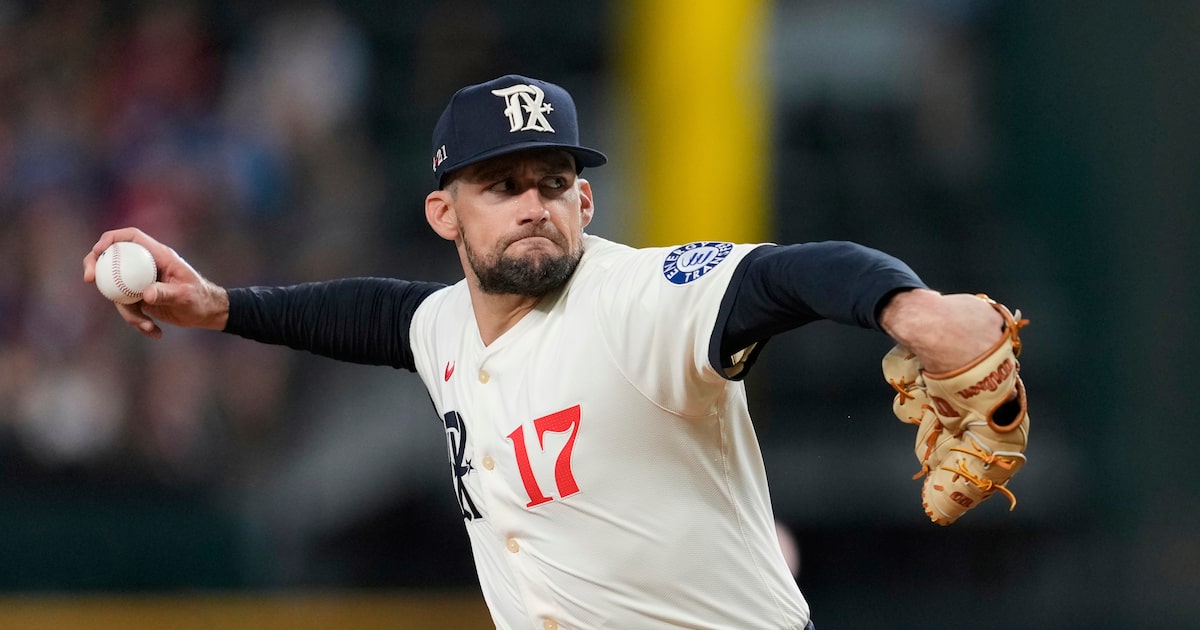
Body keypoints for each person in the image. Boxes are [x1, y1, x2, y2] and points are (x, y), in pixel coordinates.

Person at [84, 75, 1018, 630]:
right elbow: (370, 315)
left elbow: (783, 275)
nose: (534, 203)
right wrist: (219, 307)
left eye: (554, 180)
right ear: (444, 213)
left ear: (585, 201)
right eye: (501, 185)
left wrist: (909, 306)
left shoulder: (637, 299)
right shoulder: (446, 326)